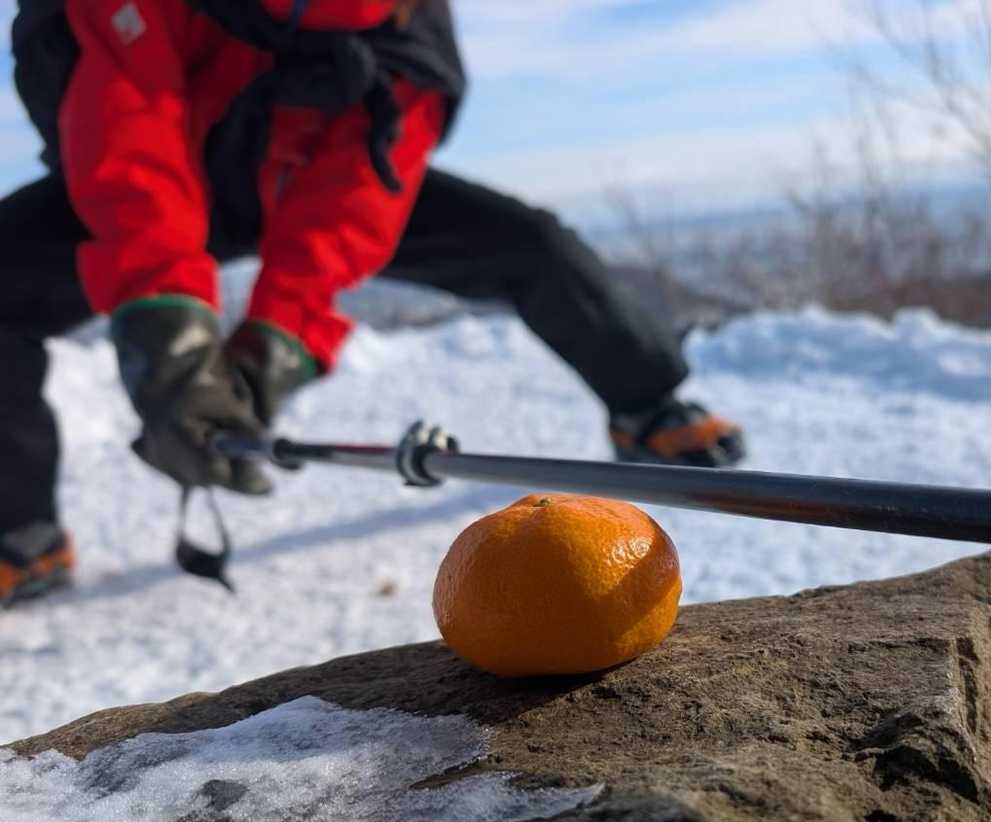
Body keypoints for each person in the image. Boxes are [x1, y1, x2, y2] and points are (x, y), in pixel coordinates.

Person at [0, 0, 745, 607]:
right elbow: (129, 140)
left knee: (535, 246)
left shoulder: (411, 34)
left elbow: (349, 204)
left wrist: (267, 354)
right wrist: (170, 343)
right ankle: (23, 535)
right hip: (168, 173)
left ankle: (648, 406)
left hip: (302, 180)